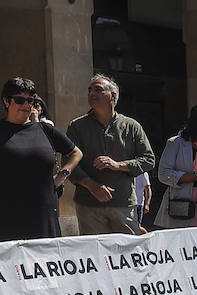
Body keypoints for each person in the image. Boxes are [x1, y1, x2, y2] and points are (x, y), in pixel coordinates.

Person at [64, 74, 156, 235]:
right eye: (89, 90)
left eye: (98, 90)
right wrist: (92, 186)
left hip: (123, 204)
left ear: (112, 95)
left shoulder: (131, 126)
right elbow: (69, 161)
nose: (91, 94)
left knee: (128, 253)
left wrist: (118, 165)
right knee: (94, 254)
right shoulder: (77, 126)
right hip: (89, 206)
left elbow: (148, 160)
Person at [0, 77, 81, 241]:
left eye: (30, 100)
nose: (26, 105)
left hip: (44, 214)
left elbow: (76, 153)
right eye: (20, 100)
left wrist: (62, 175)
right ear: (7, 101)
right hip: (8, 214)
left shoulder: (46, 130)